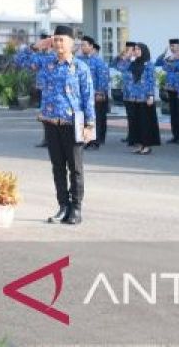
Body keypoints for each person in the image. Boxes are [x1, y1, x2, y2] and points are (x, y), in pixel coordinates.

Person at [32, 26, 95, 225]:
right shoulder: (47, 64)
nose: (58, 43)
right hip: (51, 122)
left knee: (75, 167)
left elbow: (88, 98)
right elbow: (20, 61)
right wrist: (36, 46)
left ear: (71, 43)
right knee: (57, 167)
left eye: (62, 40)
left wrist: (90, 125)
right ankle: (63, 206)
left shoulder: (80, 67)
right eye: (56, 39)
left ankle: (76, 208)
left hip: (73, 123)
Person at [125, 43, 159, 155]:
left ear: (144, 50)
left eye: (138, 49)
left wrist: (151, 95)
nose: (136, 51)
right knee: (135, 122)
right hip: (133, 98)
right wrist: (127, 56)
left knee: (145, 122)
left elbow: (151, 80)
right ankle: (138, 144)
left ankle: (147, 145)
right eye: (135, 49)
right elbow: (118, 66)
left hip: (145, 98)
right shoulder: (132, 63)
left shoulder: (149, 64)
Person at [76, 37, 110, 150]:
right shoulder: (79, 60)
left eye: (85, 45)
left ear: (91, 46)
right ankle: (87, 139)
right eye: (81, 45)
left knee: (96, 118)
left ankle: (95, 141)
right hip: (81, 95)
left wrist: (101, 92)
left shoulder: (98, 61)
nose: (82, 47)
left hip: (95, 94)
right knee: (85, 118)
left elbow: (103, 77)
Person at [158, 38, 179, 145]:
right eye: (171, 46)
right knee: (173, 113)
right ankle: (175, 135)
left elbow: (176, 67)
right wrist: (164, 54)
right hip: (170, 89)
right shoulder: (169, 58)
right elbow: (158, 62)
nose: (173, 48)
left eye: (175, 46)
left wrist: (172, 59)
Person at [113, 43, 136, 144]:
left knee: (135, 116)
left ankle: (135, 137)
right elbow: (118, 67)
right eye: (127, 50)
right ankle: (130, 136)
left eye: (130, 50)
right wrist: (123, 57)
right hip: (127, 92)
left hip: (136, 94)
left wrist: (128, 59)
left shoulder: (136, 61)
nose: (128, 52)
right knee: (130, 115)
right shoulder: (126, 61)